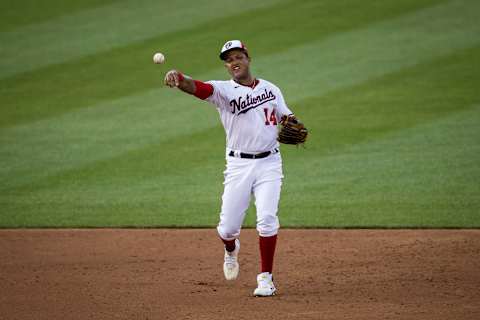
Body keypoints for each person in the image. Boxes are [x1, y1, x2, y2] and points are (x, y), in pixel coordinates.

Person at [164, 40, 296, 297]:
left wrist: (295, 122)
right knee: (226, 229)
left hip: (270, 163)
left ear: (248, 58)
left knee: (267, 220)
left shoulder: (271, 89)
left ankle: (266, 278)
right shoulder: (222, 90)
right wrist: (179, 78)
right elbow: (196, 87)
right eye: (228, 59)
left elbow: (286, 117)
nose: (233, 62)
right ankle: (230, 248)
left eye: (237, 56)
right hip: (238, 165)